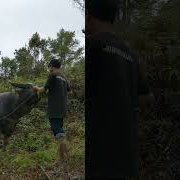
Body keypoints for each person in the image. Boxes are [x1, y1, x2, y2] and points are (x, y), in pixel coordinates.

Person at [85, 0, 155, 179]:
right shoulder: (130, 54)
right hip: (127, 154)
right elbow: (148, 97)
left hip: (98, 156)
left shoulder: (92, 45)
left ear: (89, 17)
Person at [33, 59, 71, 140]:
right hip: (63, 107)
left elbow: (42, 90)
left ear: (52, 66)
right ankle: (62, 146)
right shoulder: (64, 77)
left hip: (54, 107)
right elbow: (68, 90)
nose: (49, 68)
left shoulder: (52, 75)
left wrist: (36, 88)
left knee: (57, 129)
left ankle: (63, 146)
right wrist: (52, 91)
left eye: (49, 66)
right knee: (59, 127)